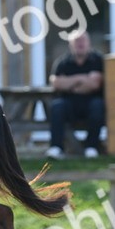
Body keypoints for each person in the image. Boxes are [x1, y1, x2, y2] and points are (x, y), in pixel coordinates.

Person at [47, 30, 104, 159]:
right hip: (69, 103)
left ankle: (92, 147)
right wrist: (83, 79)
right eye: (77, 41)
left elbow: (96, 83)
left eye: (83, 40)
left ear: (89, 43)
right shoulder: (62, 62)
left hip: (91, 101)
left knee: (98, 106)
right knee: (57, 106)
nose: (80, 44)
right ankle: (56, 148)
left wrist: (70, 83)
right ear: (70, 44)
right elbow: (56, 83)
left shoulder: (98, 60)